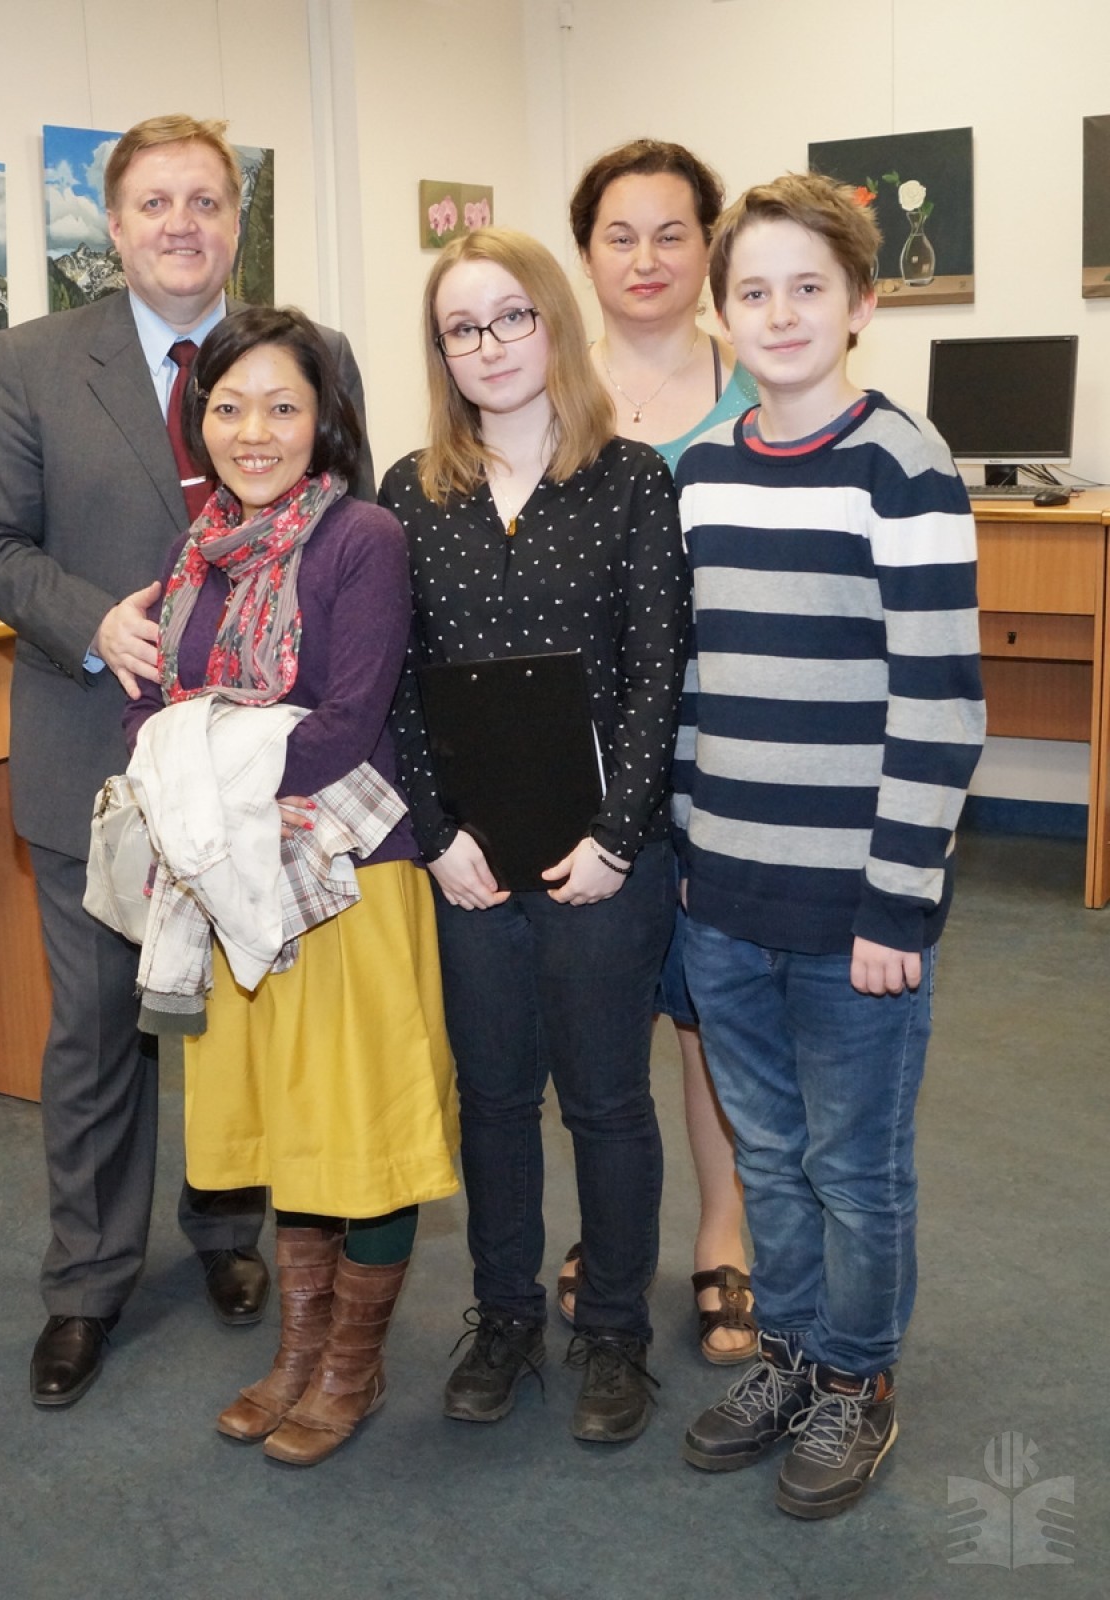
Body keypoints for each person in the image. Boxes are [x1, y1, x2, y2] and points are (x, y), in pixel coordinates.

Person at [0, 113, 374, 1409]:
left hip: (265, 774)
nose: (181, 224)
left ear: (236, 221)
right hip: (97, 752)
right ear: (114, 224)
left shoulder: (306, 355)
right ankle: (86, 1284)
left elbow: (348, 520)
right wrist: (94, 622)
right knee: (97, 1034)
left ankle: (228, 1230)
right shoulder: (34, 361)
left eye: (205, 201)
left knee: (241, 1011)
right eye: (154, 203)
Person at [674, 172, 985, 1517]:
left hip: (857, 910)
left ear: (860, 304)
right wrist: (686, 868)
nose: (781, 312)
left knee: (855, 1168)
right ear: (720, 313)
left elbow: (940, 704)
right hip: (723, 897)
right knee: (765, 1152)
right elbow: (690, 686)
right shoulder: (700, 475)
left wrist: (897, 904)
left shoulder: (900, 466)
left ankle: (857, 1374)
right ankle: (791, 1353)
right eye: (753, 291)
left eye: (810, 287)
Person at [122, 305, 458, 1466]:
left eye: (281, 406)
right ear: (198, 420)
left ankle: (351, 1367)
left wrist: (198, 756)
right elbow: (146, 714)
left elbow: (343, 727)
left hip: (344, 881)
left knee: (359, 1130)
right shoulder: (197, 549)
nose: (252, 431)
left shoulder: (362, 537)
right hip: (232, 891)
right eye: (228, 406)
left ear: (324, 421)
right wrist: (195, 750)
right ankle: (298, 1350)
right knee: (289, 1132)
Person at [382, 228, 687, 1445]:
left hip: (605, 857)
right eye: (461, 328)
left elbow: (659, 674)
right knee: (495, 1100)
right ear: (440, 353)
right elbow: (398, 682)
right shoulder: (411, 490)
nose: (489, 345)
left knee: (605, 1100)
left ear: (553, 321)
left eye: (511, 316)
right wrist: (434, 836)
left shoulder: (631, 479)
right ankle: (505, 1314)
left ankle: (612, 1328)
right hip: (470, 862)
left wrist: (616, 836)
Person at [559, 138, 760, 1362]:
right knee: (601, 1011)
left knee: (706, 1012)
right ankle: (611, 1225)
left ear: (707, 247)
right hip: (583, 760)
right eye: (617, 235)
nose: (644, 258)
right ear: (583, 253)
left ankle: (721, 1232)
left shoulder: (761, 383)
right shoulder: (543, 388)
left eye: (670, 233)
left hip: (718, 753)